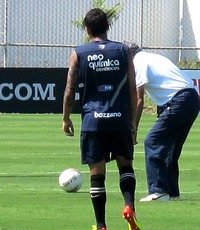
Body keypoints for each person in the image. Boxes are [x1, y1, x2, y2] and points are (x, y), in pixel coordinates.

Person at [62, 9, 141, 230]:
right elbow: (133, 89)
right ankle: (129, 207)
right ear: (107, 27)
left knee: (97, 174)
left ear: (87, 29)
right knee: (126, 166)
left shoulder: (79, 53)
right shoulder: (123, 51)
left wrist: (66, 118)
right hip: (120, 119)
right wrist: (133, 123)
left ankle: (101, 224)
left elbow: (70, 89)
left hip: (93, 121)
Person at [124, 41, 200, 202]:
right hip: (192, 98)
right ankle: (172, 193)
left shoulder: (138, 62)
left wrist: (133, 129)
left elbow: (139, 99)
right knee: (171, 147)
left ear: (129, 55)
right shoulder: (152, 57)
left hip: (179, 100)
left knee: (152, 141)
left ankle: (158, 191)